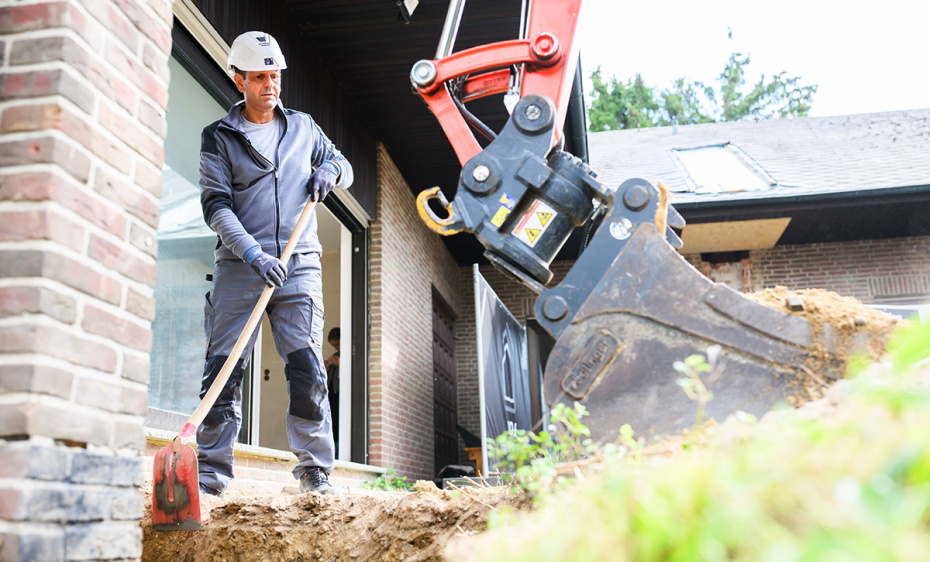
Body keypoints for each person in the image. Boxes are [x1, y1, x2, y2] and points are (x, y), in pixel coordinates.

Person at [196, 31, 352, 497]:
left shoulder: (304, 127)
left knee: (307, 369)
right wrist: (252, 253)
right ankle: (209, 476)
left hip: (298, 264)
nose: (271, 84)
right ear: (238, 78)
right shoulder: (219, 137)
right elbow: (216, 207)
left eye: (276, 75)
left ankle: (314, 470)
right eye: (260, 76)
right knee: (223, 371)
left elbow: (343, 163)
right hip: (240, 266)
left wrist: (331, 171)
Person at [324, 327, 340, 443]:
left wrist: (340, 363)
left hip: (340, 396)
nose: (336, 348)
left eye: (338, 344)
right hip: (332, 395)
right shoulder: (336, 355)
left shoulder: (350, 354)